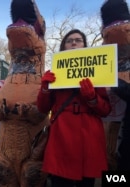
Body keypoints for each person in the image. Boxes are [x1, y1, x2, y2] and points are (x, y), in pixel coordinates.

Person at [37, 29, 111, 187]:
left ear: (85, 45)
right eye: (69, 41)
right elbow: (43, 108)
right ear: (63, 47)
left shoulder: (98, 72)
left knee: (86, 182)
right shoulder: (54, 73)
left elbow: (105, 110)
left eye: (78, 40)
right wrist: (45, 88)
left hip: (88, 135)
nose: (74, 43)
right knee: (59, 181)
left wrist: (92, 97)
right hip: (61, 134)